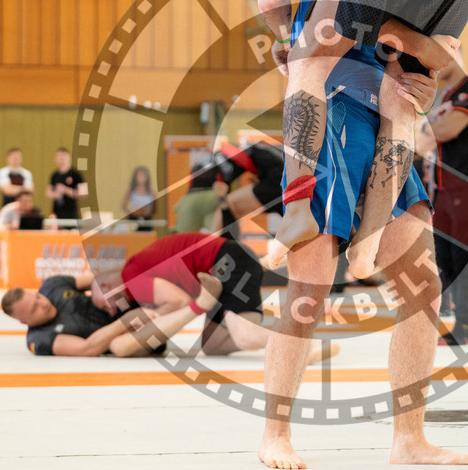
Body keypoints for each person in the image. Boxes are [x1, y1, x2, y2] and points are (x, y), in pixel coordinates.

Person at [258, 0, 468, 470]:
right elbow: (280, 11)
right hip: (334, 114)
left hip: (392, 122)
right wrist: (288, 41)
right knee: (310, 283)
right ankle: (274, 433)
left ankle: (409, 438)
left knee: (423, 287)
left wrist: (426, 77)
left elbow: (444, 66)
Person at [258, 0, 468, 281]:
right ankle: (368, 243)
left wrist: (287, 43)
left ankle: (295, 209)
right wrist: (421, 62)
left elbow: (271, 1)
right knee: (407, 89)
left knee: (310, 58)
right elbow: (430, 64)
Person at [101, 232, 337, 362]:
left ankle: (306, 344)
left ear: (106, 286)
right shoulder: (136, 272)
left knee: (245, 337)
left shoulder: (129, 277)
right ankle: (281, 334)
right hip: (221, 269)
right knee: (213, 346)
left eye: (107, 305)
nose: (113, 311)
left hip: (226, 260)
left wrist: (154, 323)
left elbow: (179, 301)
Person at [416, 52, 468, 345]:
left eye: (438, 61)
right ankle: (444, 313)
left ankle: (463, 326)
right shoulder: (443, 98)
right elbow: (425, 141)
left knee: (464, 256)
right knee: (444, 255)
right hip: (443, 189)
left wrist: (421, 127)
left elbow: (447, 130)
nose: (434, 68)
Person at [2, 271, 185, 357]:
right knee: (117, 346)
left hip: (124, 308)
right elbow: (87, 349)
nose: (43, 304)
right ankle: (193, 309)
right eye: (34, 309)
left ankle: (194, 293)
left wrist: (100, 292)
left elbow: (96, 278)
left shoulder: (52, 285)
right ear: (24, 321)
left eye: (38, 298)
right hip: (128, 338)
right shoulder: (39, 339)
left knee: (178, 299)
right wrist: (128, 320)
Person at [208, 141, 285, 238]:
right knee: (233, 209)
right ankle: (222, 244)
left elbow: (229, 172)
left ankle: (211, 245)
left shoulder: (234, 153)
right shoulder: (257, 150)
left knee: (228, 203)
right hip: (282, 185)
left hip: (275, 184)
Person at [172, 153, 221, 233]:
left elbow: (176, 208)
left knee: (186, 236)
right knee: (215, 235)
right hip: (212, 194)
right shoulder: (216, 163)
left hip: (191, 197)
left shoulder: (196, 166)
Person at [46, 147, 84, 223]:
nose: (61, 158)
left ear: (68, 157)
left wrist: (65, 190)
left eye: (63, 156)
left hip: (71, 213)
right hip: (57, 212)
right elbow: (48, 192)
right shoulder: (54, 175)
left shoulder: (76, 174)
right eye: (59, 156)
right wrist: (55, 194)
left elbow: (83, 193)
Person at [122, 166, 156, 231]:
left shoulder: (152, 192)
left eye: (143, 176)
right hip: (133, 219)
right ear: (135, 177)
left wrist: (147, 211)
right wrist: (131, 211)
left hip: (146, 220)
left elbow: (155, 209)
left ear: (147, 177)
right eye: (139, 175)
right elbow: (123, 206)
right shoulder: (130, 191)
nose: (141, 178)